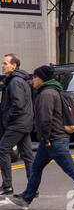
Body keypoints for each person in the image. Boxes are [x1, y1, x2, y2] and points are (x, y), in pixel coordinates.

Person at [6, 65, 74, 210]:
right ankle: (26, 199)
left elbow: (45, 120)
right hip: (52, 140)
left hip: (54, 140)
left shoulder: (46, 94)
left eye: (35, 77)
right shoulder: (53, 90)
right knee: (36, 169)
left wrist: (44, 139)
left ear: (41, 78)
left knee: (72, 170)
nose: (33, 80)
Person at [0, 54, 34, 196]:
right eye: (2, 63)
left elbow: (18, 104)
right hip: (24, 122)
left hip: (17, 123)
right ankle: (33, 187)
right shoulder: (20, 80)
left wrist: (8, 118)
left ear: (14, 66)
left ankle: (7, 185)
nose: (3, 66)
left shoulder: (15, 82)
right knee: (27, 155)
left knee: (3, 149)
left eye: (6, 63)